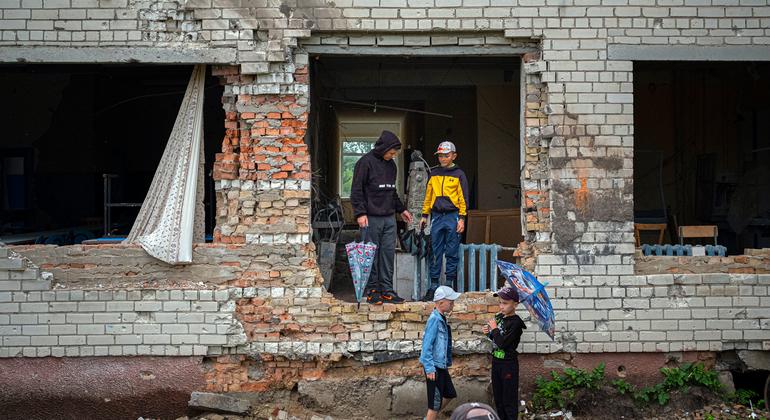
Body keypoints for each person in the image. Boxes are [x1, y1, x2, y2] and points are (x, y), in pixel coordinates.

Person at [350, 130, 413, 304]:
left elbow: (392, 191)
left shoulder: (391, 165)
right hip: (370, 217)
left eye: (395, 154)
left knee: (387, 254)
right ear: (383, 148)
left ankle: (387, 290)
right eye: (391, 152)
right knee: (371, 254)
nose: (393, 156)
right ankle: (372, 291)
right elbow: (356, 191)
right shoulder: (365, 163)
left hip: (389, 217)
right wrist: (360, 213)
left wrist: (401, 209)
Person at [420, 141, 469, 301]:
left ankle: (448, 286)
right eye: (440, 155)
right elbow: (428, 196)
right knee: (435, 251)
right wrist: (424, 215)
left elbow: (464, 198)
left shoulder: (459, 174)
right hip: (437, 216)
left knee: (452, 251)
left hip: (452, 215)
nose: (443, 158)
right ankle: (433, 287)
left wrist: (462, 218)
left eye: (446, 155)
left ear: (454, 156)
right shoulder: (433, 174)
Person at [482, 286, 526, 420]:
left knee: (509, 400)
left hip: (508, 364)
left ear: (515, 304)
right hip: (497, 362)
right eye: (500, 302)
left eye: (505, 303)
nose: (501, 306)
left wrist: (494, 329)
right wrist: (489, 332)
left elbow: (503, 344)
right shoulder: (500, 317)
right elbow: (497, 339)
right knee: (498, 399)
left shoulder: (516, 323)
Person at [420, 285, 461, 420]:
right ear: (441, 302)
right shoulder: (434, 320)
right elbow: (426, 347)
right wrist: (429, 368)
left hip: (441, 365)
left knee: (449, 393)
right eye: (451, 302)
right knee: (435, 403)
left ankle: (430, 417)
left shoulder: (442, 318)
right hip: (434, 368)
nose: (452, 304)